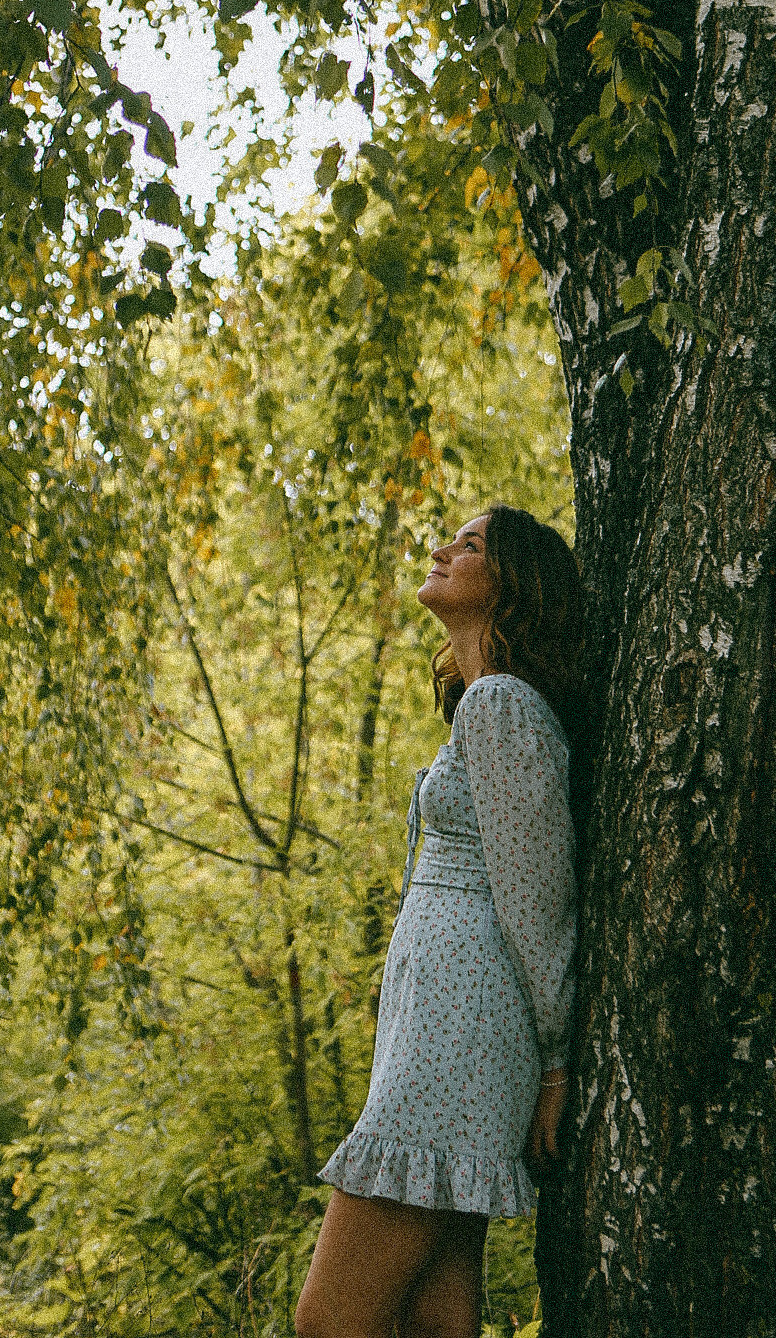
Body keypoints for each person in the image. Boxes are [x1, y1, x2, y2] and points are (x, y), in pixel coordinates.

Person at [295, 504, 584, 1338]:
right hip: (442, 1035)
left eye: (471, 545)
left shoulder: (502, 705)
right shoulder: (483, 706)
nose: (443, 550)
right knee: (438, 1321)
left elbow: (539, 896)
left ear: (514, 584)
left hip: (459, 1044)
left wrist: (556, 1064)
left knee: (328, 1322)